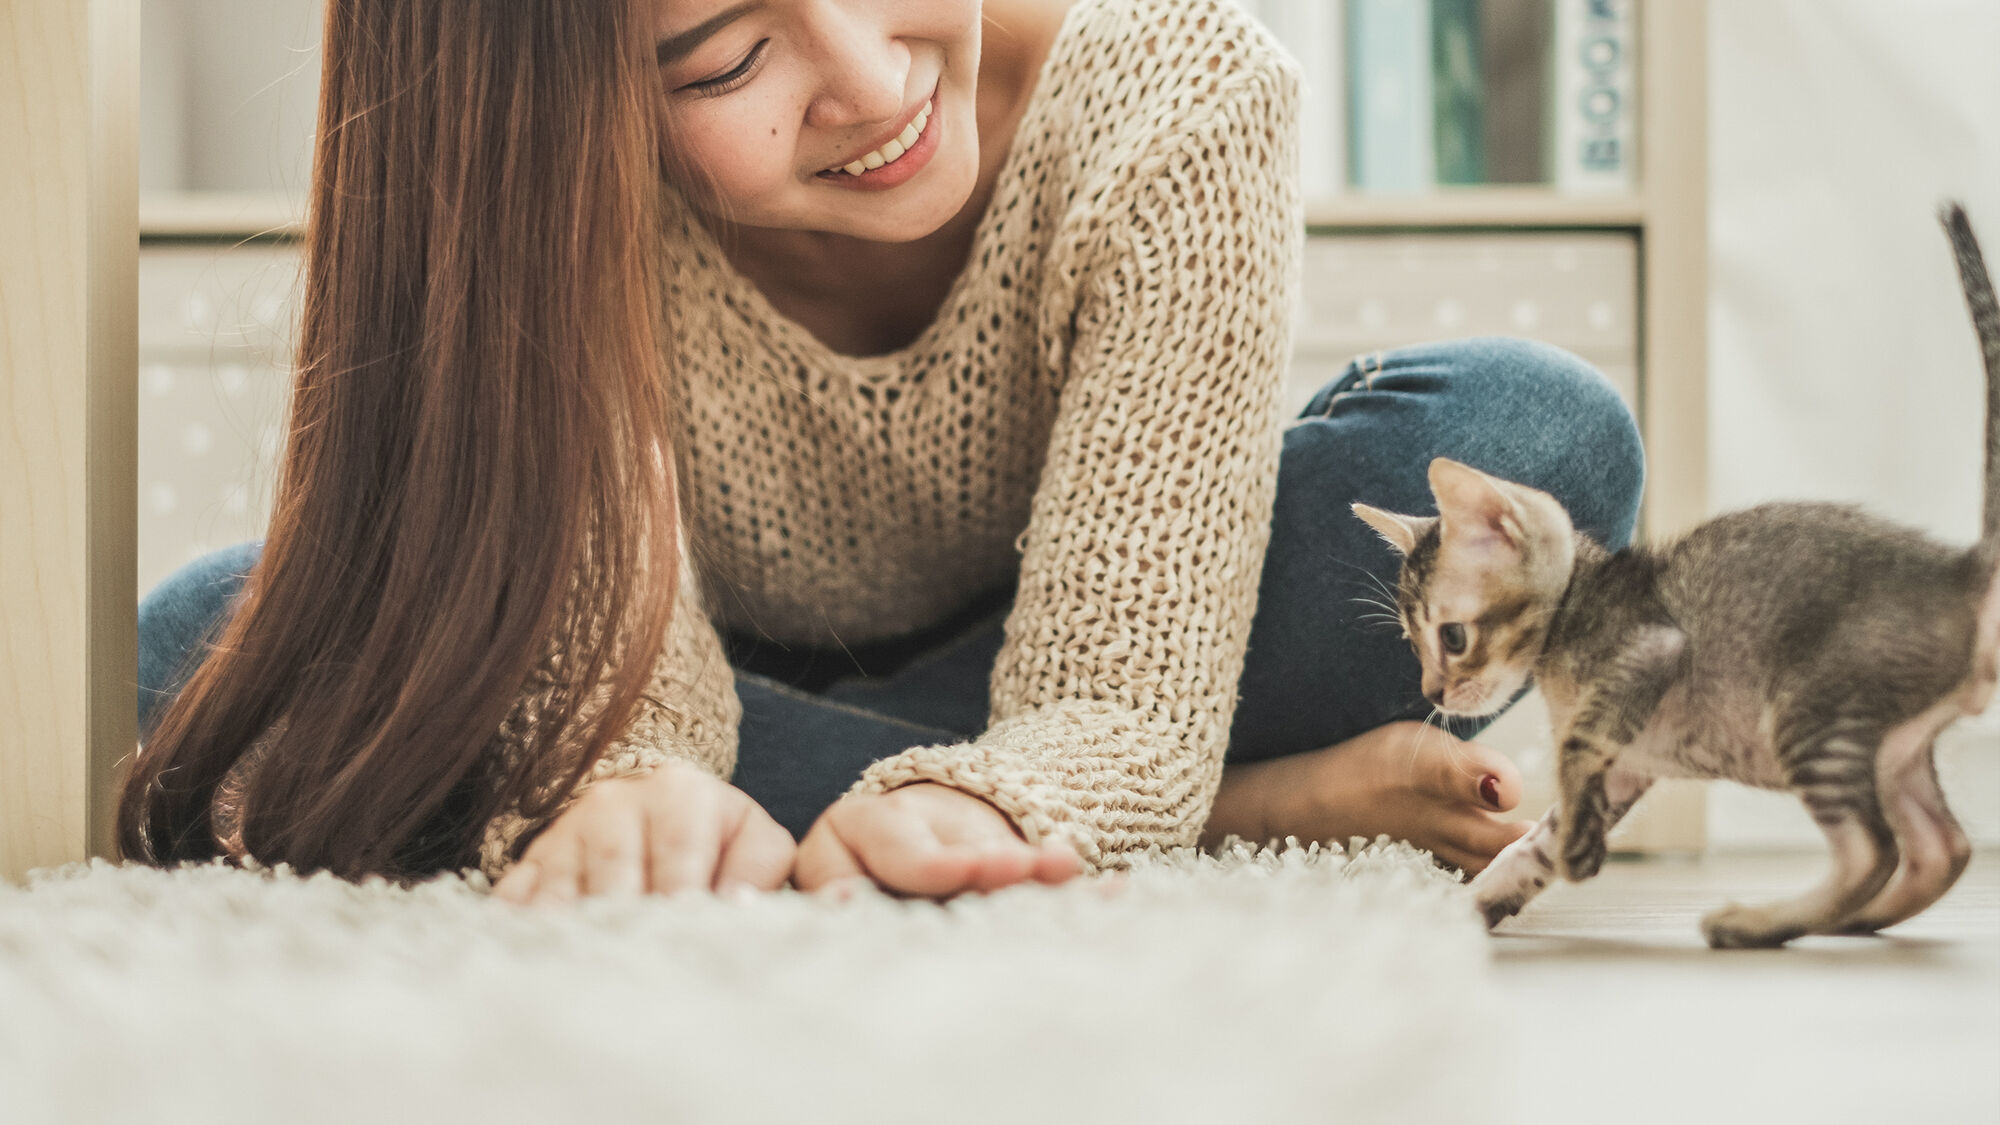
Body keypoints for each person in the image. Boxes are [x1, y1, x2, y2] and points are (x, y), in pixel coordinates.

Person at [123, 0, 1644, 907]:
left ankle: (1084, 784)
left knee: (1532, 436)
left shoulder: (1175, 84)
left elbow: (1120, 670)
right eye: (723, 59)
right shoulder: (555, 183)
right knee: (202, 642)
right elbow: (591, 610)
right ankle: (1248, 802)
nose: (869, 78)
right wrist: (629, 768)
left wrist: (1040, 782)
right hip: (685, 640)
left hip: (1108, 633)